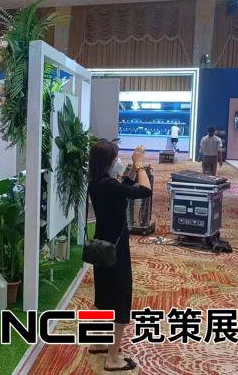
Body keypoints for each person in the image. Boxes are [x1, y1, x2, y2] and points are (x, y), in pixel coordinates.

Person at [87, 140, 151, 372]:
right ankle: (112, 358)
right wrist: (140, 164)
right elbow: (144, 190)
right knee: (121, 300)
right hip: (116, 252)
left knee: (103, 296)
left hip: (101, 248)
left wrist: (132, 170)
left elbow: (123, 187)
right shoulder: (109, 186)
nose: (119, 162)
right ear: (108, 162)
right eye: (116, 159)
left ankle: (97, 342)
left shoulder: (97, 183)